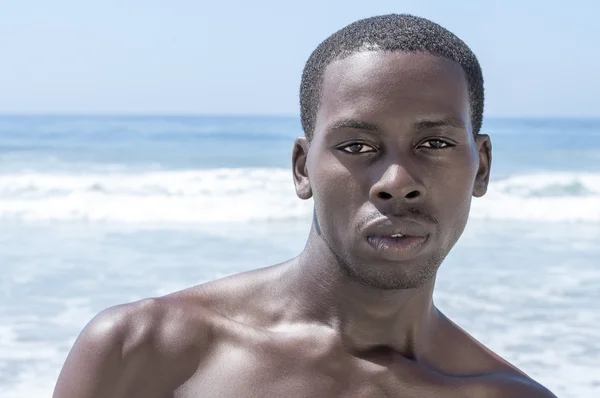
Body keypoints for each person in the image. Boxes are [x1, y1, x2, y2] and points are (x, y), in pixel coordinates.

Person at [53, 14, 557, 398]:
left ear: (482, 166)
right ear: (302, 168)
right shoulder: (146, 350)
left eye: (435, 144)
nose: (397, 182)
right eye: (357, 146)